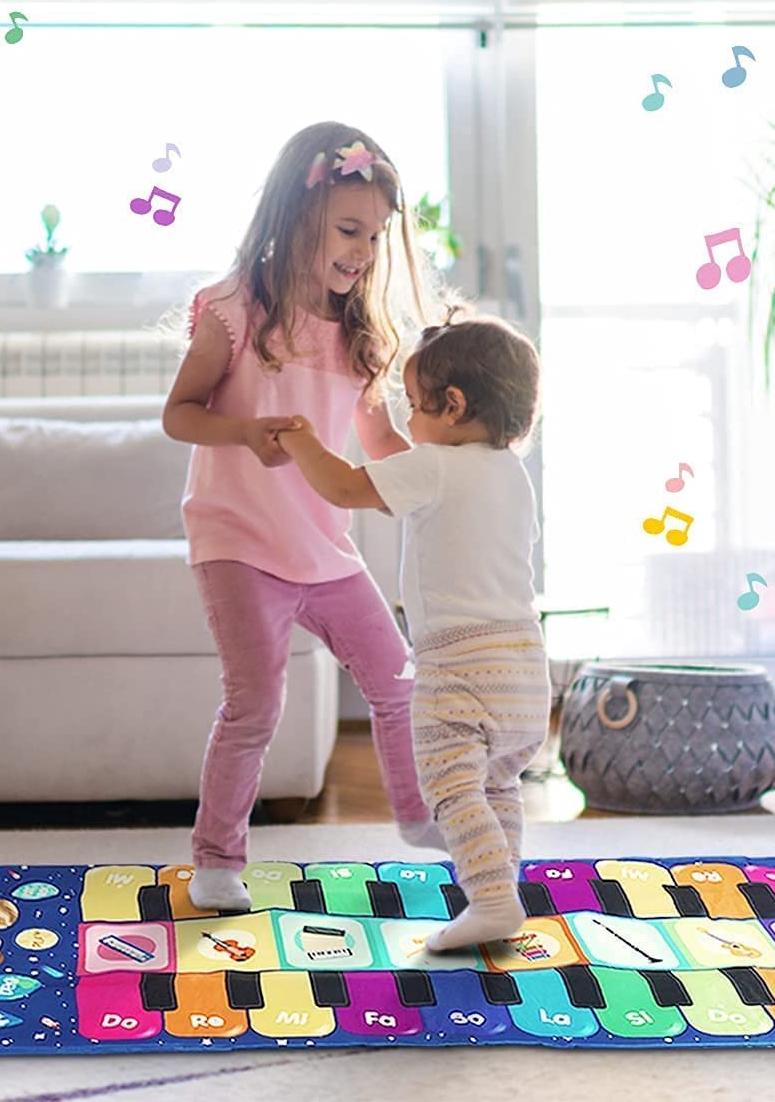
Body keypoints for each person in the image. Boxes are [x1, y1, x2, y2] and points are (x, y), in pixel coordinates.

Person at [162, 121, 446, 913]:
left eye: (376, 236)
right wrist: (243, 434)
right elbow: (179, 414)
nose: (362, 251)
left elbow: (378, 437)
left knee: (397, 679)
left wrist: (436, 475)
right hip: (238, 542)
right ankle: (218, 858)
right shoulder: (233, 312)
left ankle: (419, 818)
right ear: (296, 219)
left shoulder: (358, 334)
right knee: (255, 703)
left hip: (323, 547)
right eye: (348, 230)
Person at [277, 312, 550, 951]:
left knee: (452, 788)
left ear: (453, 407)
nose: (406, 424)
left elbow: (342, 486)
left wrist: (298, 438)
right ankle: (498, 889)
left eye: (415, 408)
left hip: (459, 664)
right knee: (496, 784)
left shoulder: (434, 464)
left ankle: (489, 900)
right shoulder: (512, 474)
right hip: (525, 663)